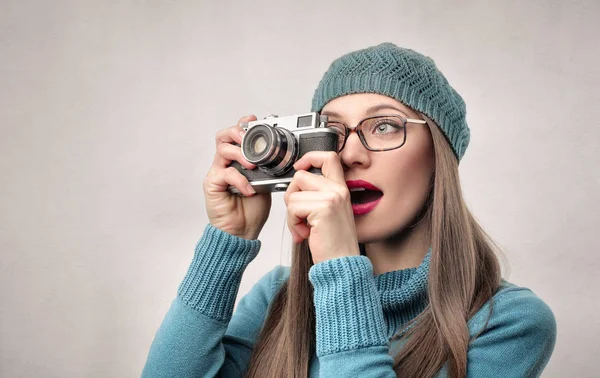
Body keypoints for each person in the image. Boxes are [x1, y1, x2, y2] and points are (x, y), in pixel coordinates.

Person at [141, 43, 557, 378]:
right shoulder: (279, 298)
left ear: (438, 157)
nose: (351, 154)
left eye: (385, 126)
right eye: (333, 133)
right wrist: (227, 242)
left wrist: (341, 269)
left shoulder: (508, 321)